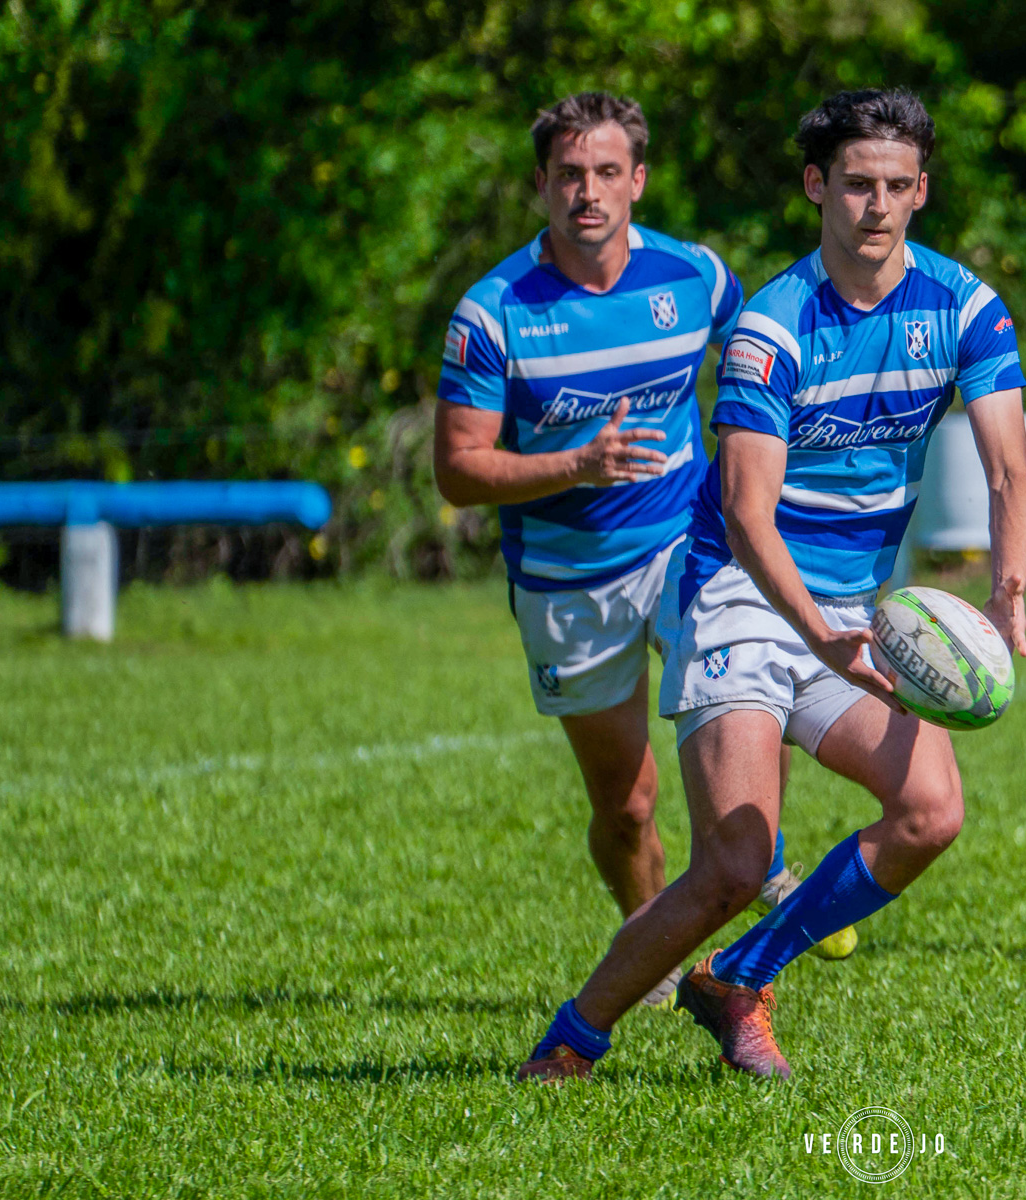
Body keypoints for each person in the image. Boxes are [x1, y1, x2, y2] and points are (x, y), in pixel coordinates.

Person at [517, 87, 1026, 1081]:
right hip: (743, 600)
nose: (876, 206)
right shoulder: (773, 325)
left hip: (854, 612)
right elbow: (748, 513)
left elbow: (1010, 471)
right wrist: (817, 631)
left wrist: (1007, 586)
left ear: (922, 191)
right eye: (856, 184)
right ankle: (573, 1038)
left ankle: (737, 978)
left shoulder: (964, 308)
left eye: (896, 186)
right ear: (816, 186)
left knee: (931, 812)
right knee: (735, 864)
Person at [432, 93, 855, 1015]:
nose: (588, 193)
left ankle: (760, 854)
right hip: (566, 582)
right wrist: (575, 464)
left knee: (755, 695)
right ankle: (653, 943)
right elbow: (458, 472)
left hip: (684, 550)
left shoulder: (695, 277)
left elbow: (770, 358)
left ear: (638, 181)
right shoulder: (493, 313)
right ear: (542, 184)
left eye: (606, 173)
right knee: (626, 807)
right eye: (569, 175)